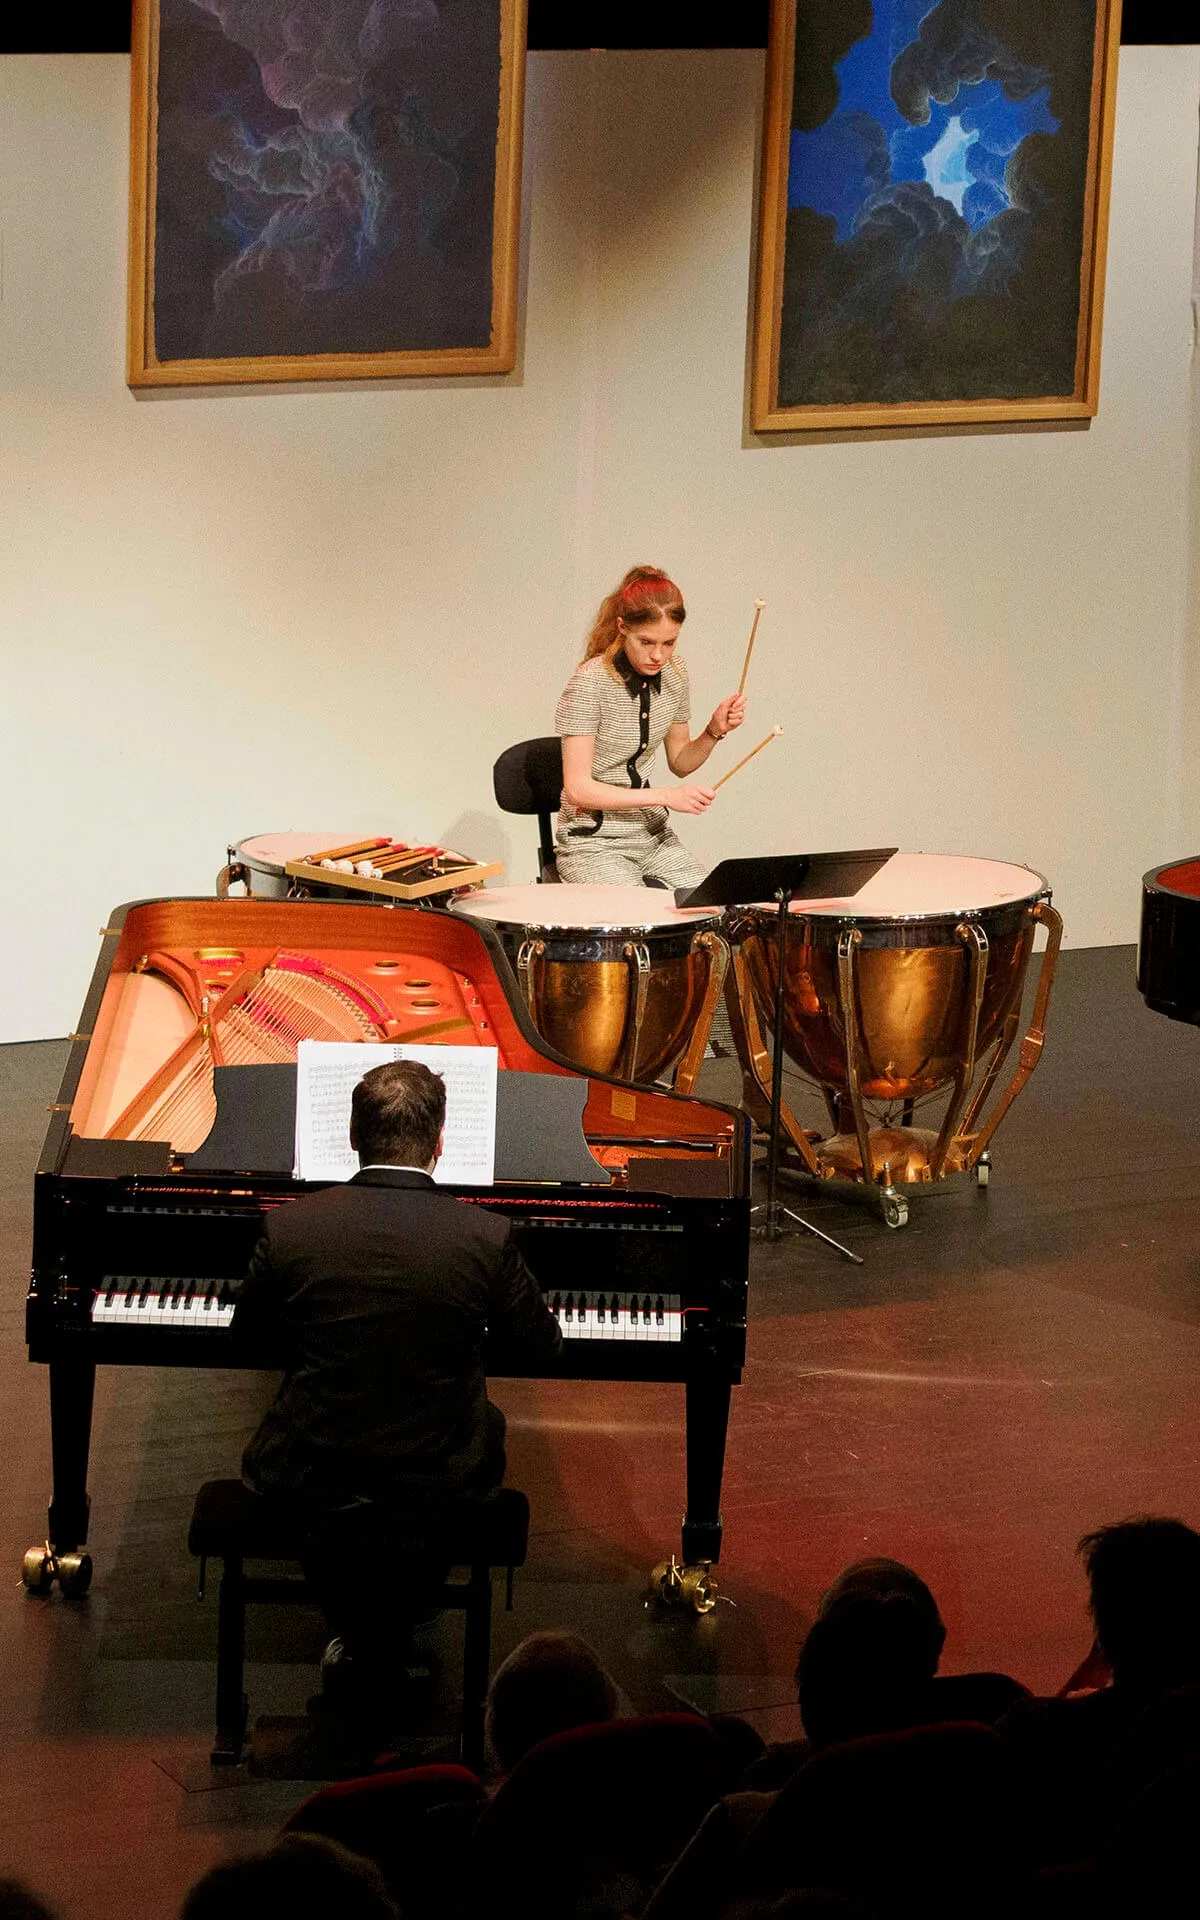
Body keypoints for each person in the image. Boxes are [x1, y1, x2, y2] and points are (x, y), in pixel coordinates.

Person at [232, 1059, 562, 1745]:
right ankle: (397, 1621)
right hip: (438, 1481)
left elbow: (249, 1339)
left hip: (312, 1476)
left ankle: (357, 1629)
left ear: (352, 1134)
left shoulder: (291, 1230)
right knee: (479, 1427)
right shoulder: (484, 1237)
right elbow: (541, 1348)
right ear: (438, 1141)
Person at [555, 564, 747, 887]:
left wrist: (714, 731)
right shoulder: (590, 682)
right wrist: (665, 797)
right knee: (640, 915)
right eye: (646, 642)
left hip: (651, 837)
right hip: (593, 843)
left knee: (717, 907)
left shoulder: (675, 675)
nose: (658, 655)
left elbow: (681, 762)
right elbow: (578, 788)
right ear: (622, 628)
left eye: (669, 643)